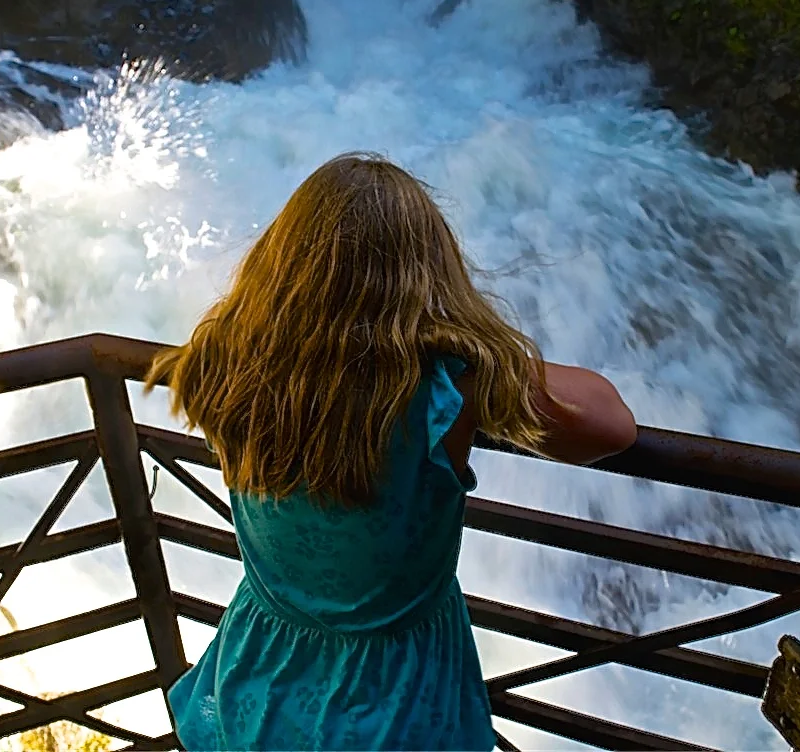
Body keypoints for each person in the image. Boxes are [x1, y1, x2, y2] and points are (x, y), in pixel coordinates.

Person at [145, 152, 638, 751]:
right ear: (427, 274)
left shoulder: (230, 358)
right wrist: (483, 346)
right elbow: (610, 423)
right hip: (395, 697)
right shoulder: (446, 388)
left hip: (260, 675)